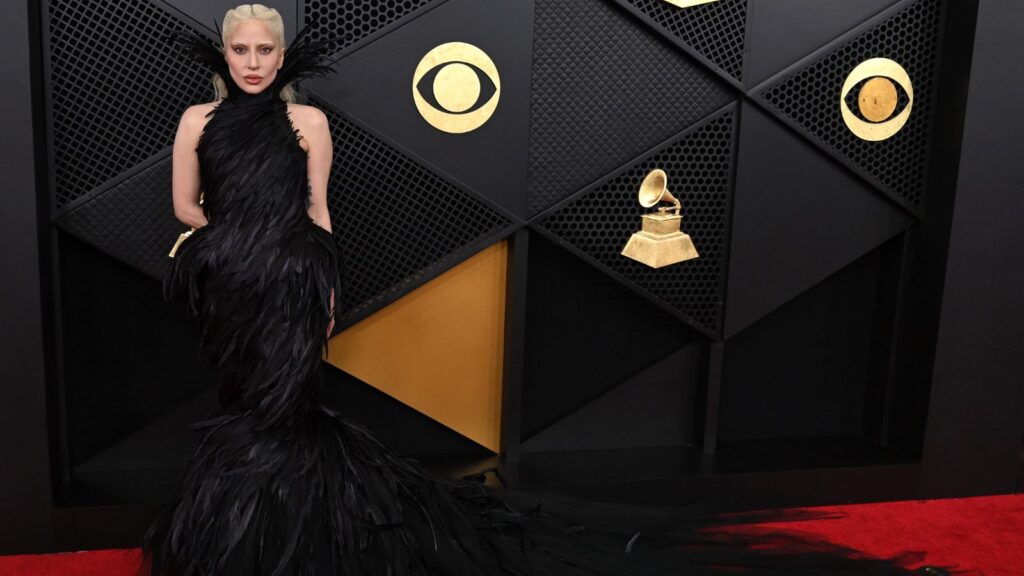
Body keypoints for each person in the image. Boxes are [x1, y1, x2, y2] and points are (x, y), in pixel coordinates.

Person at [139, 4, 948, 575]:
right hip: (231, 284)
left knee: (286, 409)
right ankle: (243, 540)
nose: (253, 61)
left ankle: (286, 541)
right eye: (241, 49)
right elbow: (183, 205)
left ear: (282, 56)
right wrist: (226, 238)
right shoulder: (195, 123)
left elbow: (319, 211)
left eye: (264, 50)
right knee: (244, 406)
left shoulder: (308, 124)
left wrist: (322, 291)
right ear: (225, 54)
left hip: (292, 281)